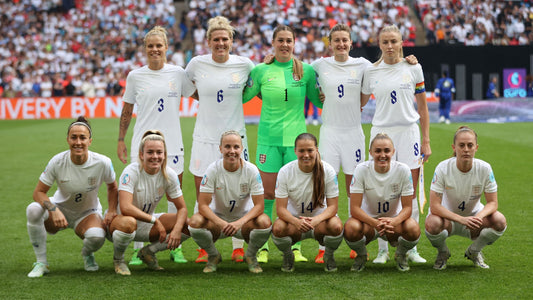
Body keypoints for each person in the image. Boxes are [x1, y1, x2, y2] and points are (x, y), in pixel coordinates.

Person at [312, 24, 419, 263]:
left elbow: (377, 80)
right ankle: (322, 247)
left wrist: (409, 58)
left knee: (355, 188)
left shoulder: (362, 65)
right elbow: (296, 72)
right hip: (329, 132)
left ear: (351, 43)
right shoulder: (319, 65)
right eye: (336, 40)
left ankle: (356, 240)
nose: (340, 44)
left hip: (354, 134)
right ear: (330, 44)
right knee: (323, 186)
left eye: (344, 40)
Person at [243, 25, 323, 263]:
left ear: (294, 43)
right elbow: (244, 96)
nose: (285, 44)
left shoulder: (306, 71)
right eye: (281, 40)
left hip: (298, 145)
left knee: (296, 194)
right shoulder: (260, 70)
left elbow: (320, 101)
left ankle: (295, 246)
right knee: (267, 194)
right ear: (273, 43)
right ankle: (263, 246)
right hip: (268, 140)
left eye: (289, 40)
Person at [117, 26, 195, 265]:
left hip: (172, 143)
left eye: (159, 45)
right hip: (143, 144)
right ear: (145, 48)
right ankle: (136, 249)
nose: (154, 49)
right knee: (138, 199)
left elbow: (200, 94)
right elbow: (127, 110)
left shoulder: (178, 73)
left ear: (166, 48)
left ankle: (174, 247)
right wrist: (121, 139)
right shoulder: (135, 76)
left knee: (175, 195)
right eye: (150, 46)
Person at [185, 16, 254, 264]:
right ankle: (205, 247)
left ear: (232, 42)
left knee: (241, 191)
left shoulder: (245, 65)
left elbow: (256, 84)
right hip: (204, 138)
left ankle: (238, 246)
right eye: (216, 39)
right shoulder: (196, 64)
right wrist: (206, 100)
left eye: (225, 39)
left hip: (237, 140)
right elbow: (186, 89)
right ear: (208, 41)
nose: (221, 43)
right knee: (202, 193)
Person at [361, 24, 430, 265]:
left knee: (409, 190)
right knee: (380, 189)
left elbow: (422, 107)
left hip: (408, 133)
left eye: (394, 41)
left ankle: (410, 247)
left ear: (402, 43)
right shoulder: (371, 71)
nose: (390, 46)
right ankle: (383, 250)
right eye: (385, 42)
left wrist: (426, 140)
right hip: (381, 133)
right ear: (379, 44)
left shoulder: (414, 67)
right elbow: (358, 100)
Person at [26, 116, 118, 278]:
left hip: (87, 213)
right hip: (59, 209)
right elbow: (38, 193)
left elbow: (112, 187)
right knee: (33, 210)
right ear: (67, 139)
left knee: (97, 237)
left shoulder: (103, 162)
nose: (78, 142)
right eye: (73, 137)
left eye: (83, 137)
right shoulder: (57, 161)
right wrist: (53, 210)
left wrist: (111, 210)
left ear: (90, 141)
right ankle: (42, 263)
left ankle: (87, 253)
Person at [188, 131, 272, 273]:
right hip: (218, 223)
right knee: (194, 222)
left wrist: (239, 223)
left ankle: (251, 256)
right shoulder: (213, 169)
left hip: (243, 224)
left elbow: (260, 206)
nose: (232, 151)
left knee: (265, 222)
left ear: (242, 149)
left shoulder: (251, 170)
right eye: (227, 147)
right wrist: (222, 223)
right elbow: (202, 205)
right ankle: (213, 256)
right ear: (220, 149)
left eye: (236, 147)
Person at [425, 126, 507, 270]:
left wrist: (479, 217)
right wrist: (461, 219)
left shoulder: (485, 168)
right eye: (461, 145)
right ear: (454, 147)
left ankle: (474, 251)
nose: (466, 149)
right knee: (432, 223)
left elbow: (493, 203)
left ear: (476, 147)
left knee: (500, 221)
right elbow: (435, 206)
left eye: (470, 145)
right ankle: (443, 253)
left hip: (474, 219)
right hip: (448, 219)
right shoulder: (443, 168)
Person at [109, 130, 190, 275]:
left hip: (147, 224)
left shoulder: (169, 174)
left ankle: (148, 252)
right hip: (120, 224)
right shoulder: (131, 171)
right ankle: (119, 260)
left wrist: (177, 229)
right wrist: (155, 221)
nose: (155, 156)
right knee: (129, 223)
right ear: (141, 155)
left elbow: (182, 208)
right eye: (150, 152)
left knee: (188, 225)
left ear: (164, 155)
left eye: (159, 152)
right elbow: (125, 207)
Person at [344, 133, 421, 272]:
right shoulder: (361, 170)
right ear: (371, 152)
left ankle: (401, 254)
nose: (382, 155)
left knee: (413, 228)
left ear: (393, 152)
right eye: (378, 151)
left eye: (387, 150)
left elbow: (408, 208)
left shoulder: (403, 170)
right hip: (369, 223)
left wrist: (394, 221)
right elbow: (354, 209)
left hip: (394, 224)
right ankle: (361, 255)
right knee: (350, 228)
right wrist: (376, 223)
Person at [271, 133, 343, 272]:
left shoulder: (327, 170)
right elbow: (280, 210)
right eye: (301, 151)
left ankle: (328, 256)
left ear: (317, 150)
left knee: (336, 226)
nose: (306, 155)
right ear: (295, 151)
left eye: (310, 150)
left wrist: (316, 220)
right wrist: (296, 221)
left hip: (320, 222)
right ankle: (288, 256)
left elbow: (333, 207)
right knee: (278, 227)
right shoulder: (285, 172)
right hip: (295, 223)